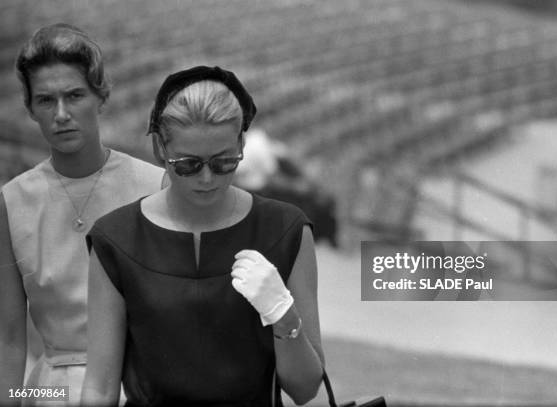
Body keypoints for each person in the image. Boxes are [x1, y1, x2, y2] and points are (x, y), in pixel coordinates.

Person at [82, 65, 324, 406]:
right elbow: (99, 387)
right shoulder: (116, 238)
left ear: (242, 142)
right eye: (188, 164)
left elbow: (305, 389)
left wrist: (282, 314)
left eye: (224, 161)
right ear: (160, 149)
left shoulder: (287, 230)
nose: (207, 178)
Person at [0, 23, 165, 405]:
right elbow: (8, 337)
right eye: (45, 100)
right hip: (52, 390)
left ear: (100, 97)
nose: (61, 114)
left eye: (74, 95)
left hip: (138, 387)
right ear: (29, 108)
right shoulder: (12, 200)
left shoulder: (154, 187)